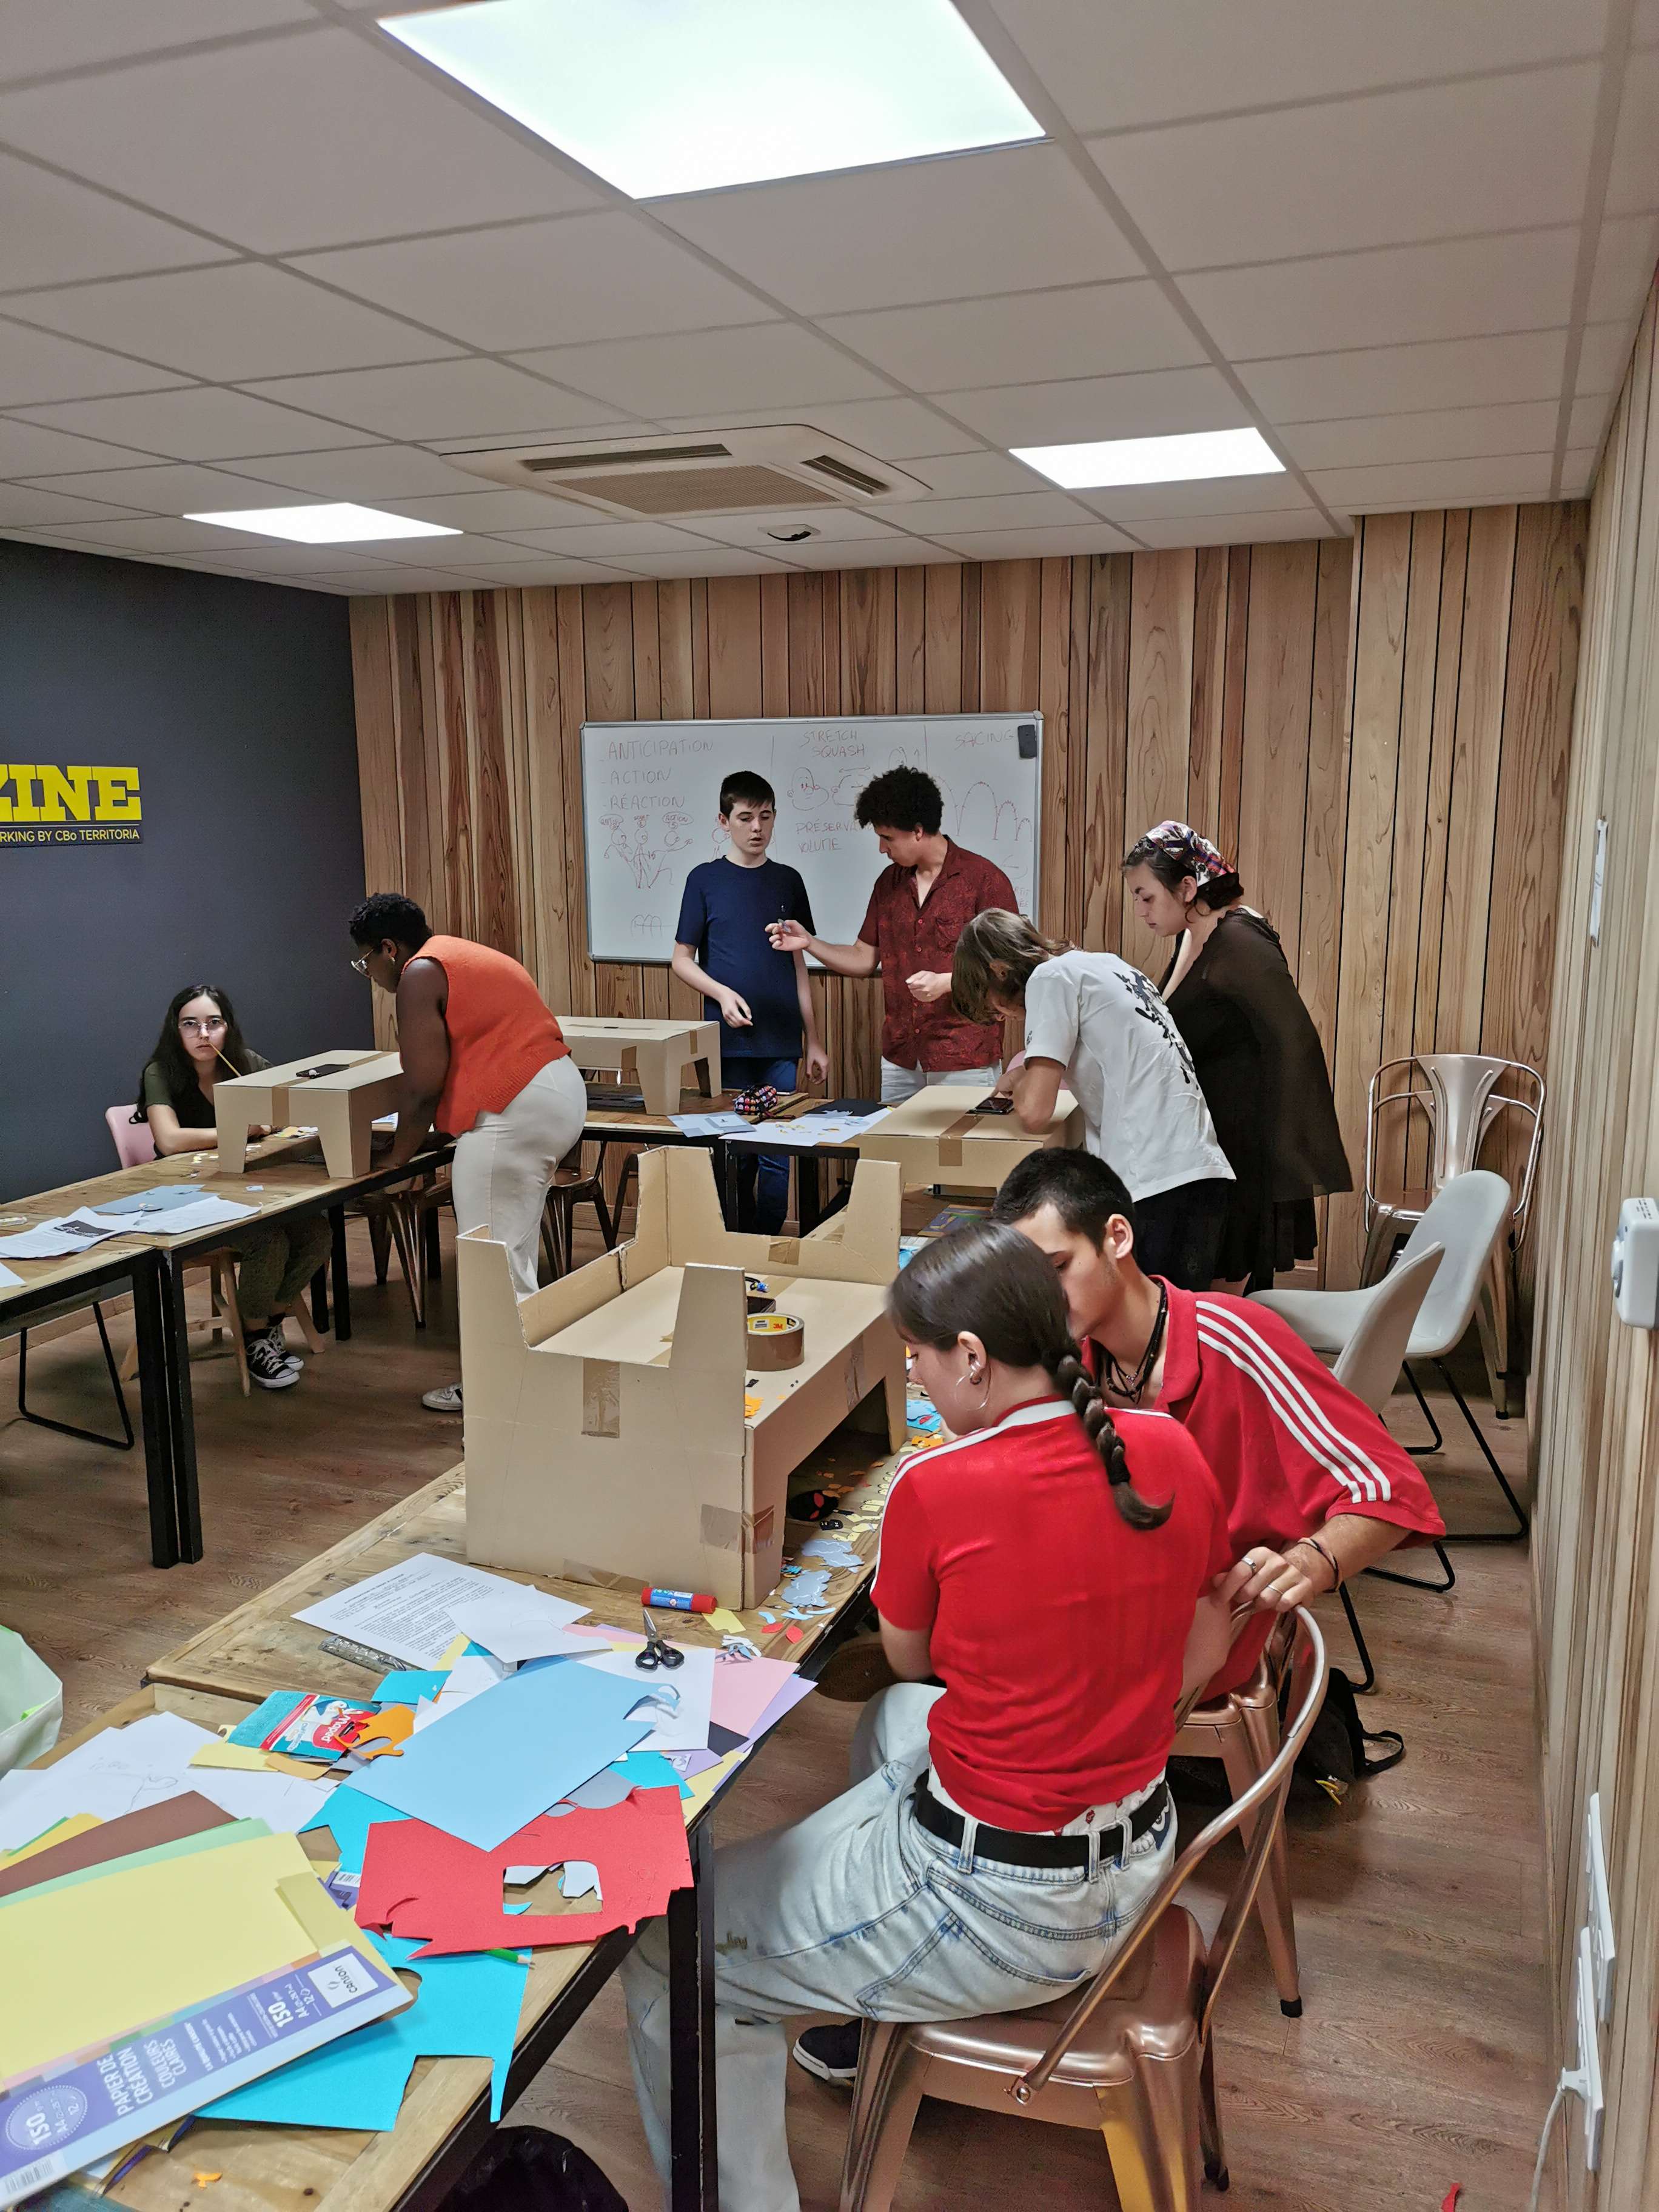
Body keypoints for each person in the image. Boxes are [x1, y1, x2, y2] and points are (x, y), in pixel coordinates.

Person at [623, 1222, 1237, 2205]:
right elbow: (1209, 1622)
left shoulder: (939, 1486)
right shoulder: (1164, 1444)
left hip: (1012, 1909)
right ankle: (870, 1951)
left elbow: (914, 1656)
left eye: (917, 1356)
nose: (913, 1375)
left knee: (667, 1943)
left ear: (973, 1357)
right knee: (894, 1725)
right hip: (1142, 1846)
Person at [990, 1148, 1445, 1698]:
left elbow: (1389, 1490)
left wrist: (1312, 1561)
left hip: (1193, 1651)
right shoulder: (1064, 1365)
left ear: (1117, 1238)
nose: (1041, 1297)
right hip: (1114, 1623)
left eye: (1057, 1268)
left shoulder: (1233, 1339)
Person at [349, 893, 585, 1415]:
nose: (369, 973)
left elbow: (422, 1085)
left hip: (515, 1110)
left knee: (491, 1262)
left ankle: (499, 1393)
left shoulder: (419, 974)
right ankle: (529, 1378)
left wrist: (397, 1159)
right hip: (557, 1092)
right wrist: (435, 1135)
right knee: (512, 1256)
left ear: (388, 949)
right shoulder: (461, 954)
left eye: (365, 961)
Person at [951, 910, 1235, 1291]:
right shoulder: (1104, 965)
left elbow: (1034, 1112)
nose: (1006, 1016)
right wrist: (1021, 1075)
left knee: (1145, 1320)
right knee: (1180, 1316)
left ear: (1000, 971)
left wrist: (1019, 1086)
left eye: (997, 1006)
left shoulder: (1048, 980)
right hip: (1201, 1169)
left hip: (1155, 1182)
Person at [1124, 820, 1352, 1290]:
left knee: (1217, 1301)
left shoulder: (1240, 941)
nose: (1140, 911)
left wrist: (1287, 1156)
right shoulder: (1192, 935)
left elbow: (1295, 1041)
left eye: (1147, 897)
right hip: (1207, 1145)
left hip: (1240, 1156)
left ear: (1187, 889)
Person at [765, 764, 1015, 1104]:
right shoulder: (888, 883)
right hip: (901, 1058)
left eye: (887, 838)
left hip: (965, 1058)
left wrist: (947, 983)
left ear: (918, 831)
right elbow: (863, 958)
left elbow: (1008, 971)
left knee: (963, 1141)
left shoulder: (984, 881)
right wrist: (809, 943)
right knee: (894, 1139)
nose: (882, 849)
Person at [138, 984, 330, 1392]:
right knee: (268, 1240)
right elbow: (168, 1141)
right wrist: (240, 1130)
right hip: (188, 1196)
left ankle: (266, 1324)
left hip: (245, 1187)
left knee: (317, 1231)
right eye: (190, 1025)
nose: (203, 1034)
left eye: (214, 1023)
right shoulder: (160, 1071)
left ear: (228, 1027)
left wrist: (275, 1116)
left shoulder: (243, 1062)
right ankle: (257, 1338)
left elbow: (292, 1100)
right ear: (175, 1029)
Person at [671, 769, 828, 1234]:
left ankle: (769, 1245)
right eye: (745, 818)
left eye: (766, 817)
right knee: (734, 1149)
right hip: (728, 1043)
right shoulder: (704, 880)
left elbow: (799, 965)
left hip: (781, 1041)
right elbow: (681, 960)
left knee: (778, 1154)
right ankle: (735, 1242)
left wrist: (814, 1041)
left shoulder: (788, 881)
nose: (757, 828)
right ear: (724, 821)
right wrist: (721, 994)